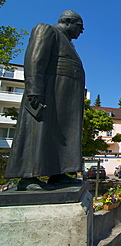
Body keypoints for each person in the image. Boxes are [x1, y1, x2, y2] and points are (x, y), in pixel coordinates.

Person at [5, 10, 85, 191]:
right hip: (48, 95)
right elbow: (34, 59)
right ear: (68, 21)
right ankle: (27, 177)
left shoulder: (68, 43)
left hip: (64, 100)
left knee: (60, 135)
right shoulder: (47, 30)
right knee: (38, 133)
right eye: (79, 27)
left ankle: (58, 174)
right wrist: (34, 90)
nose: (81, 32)